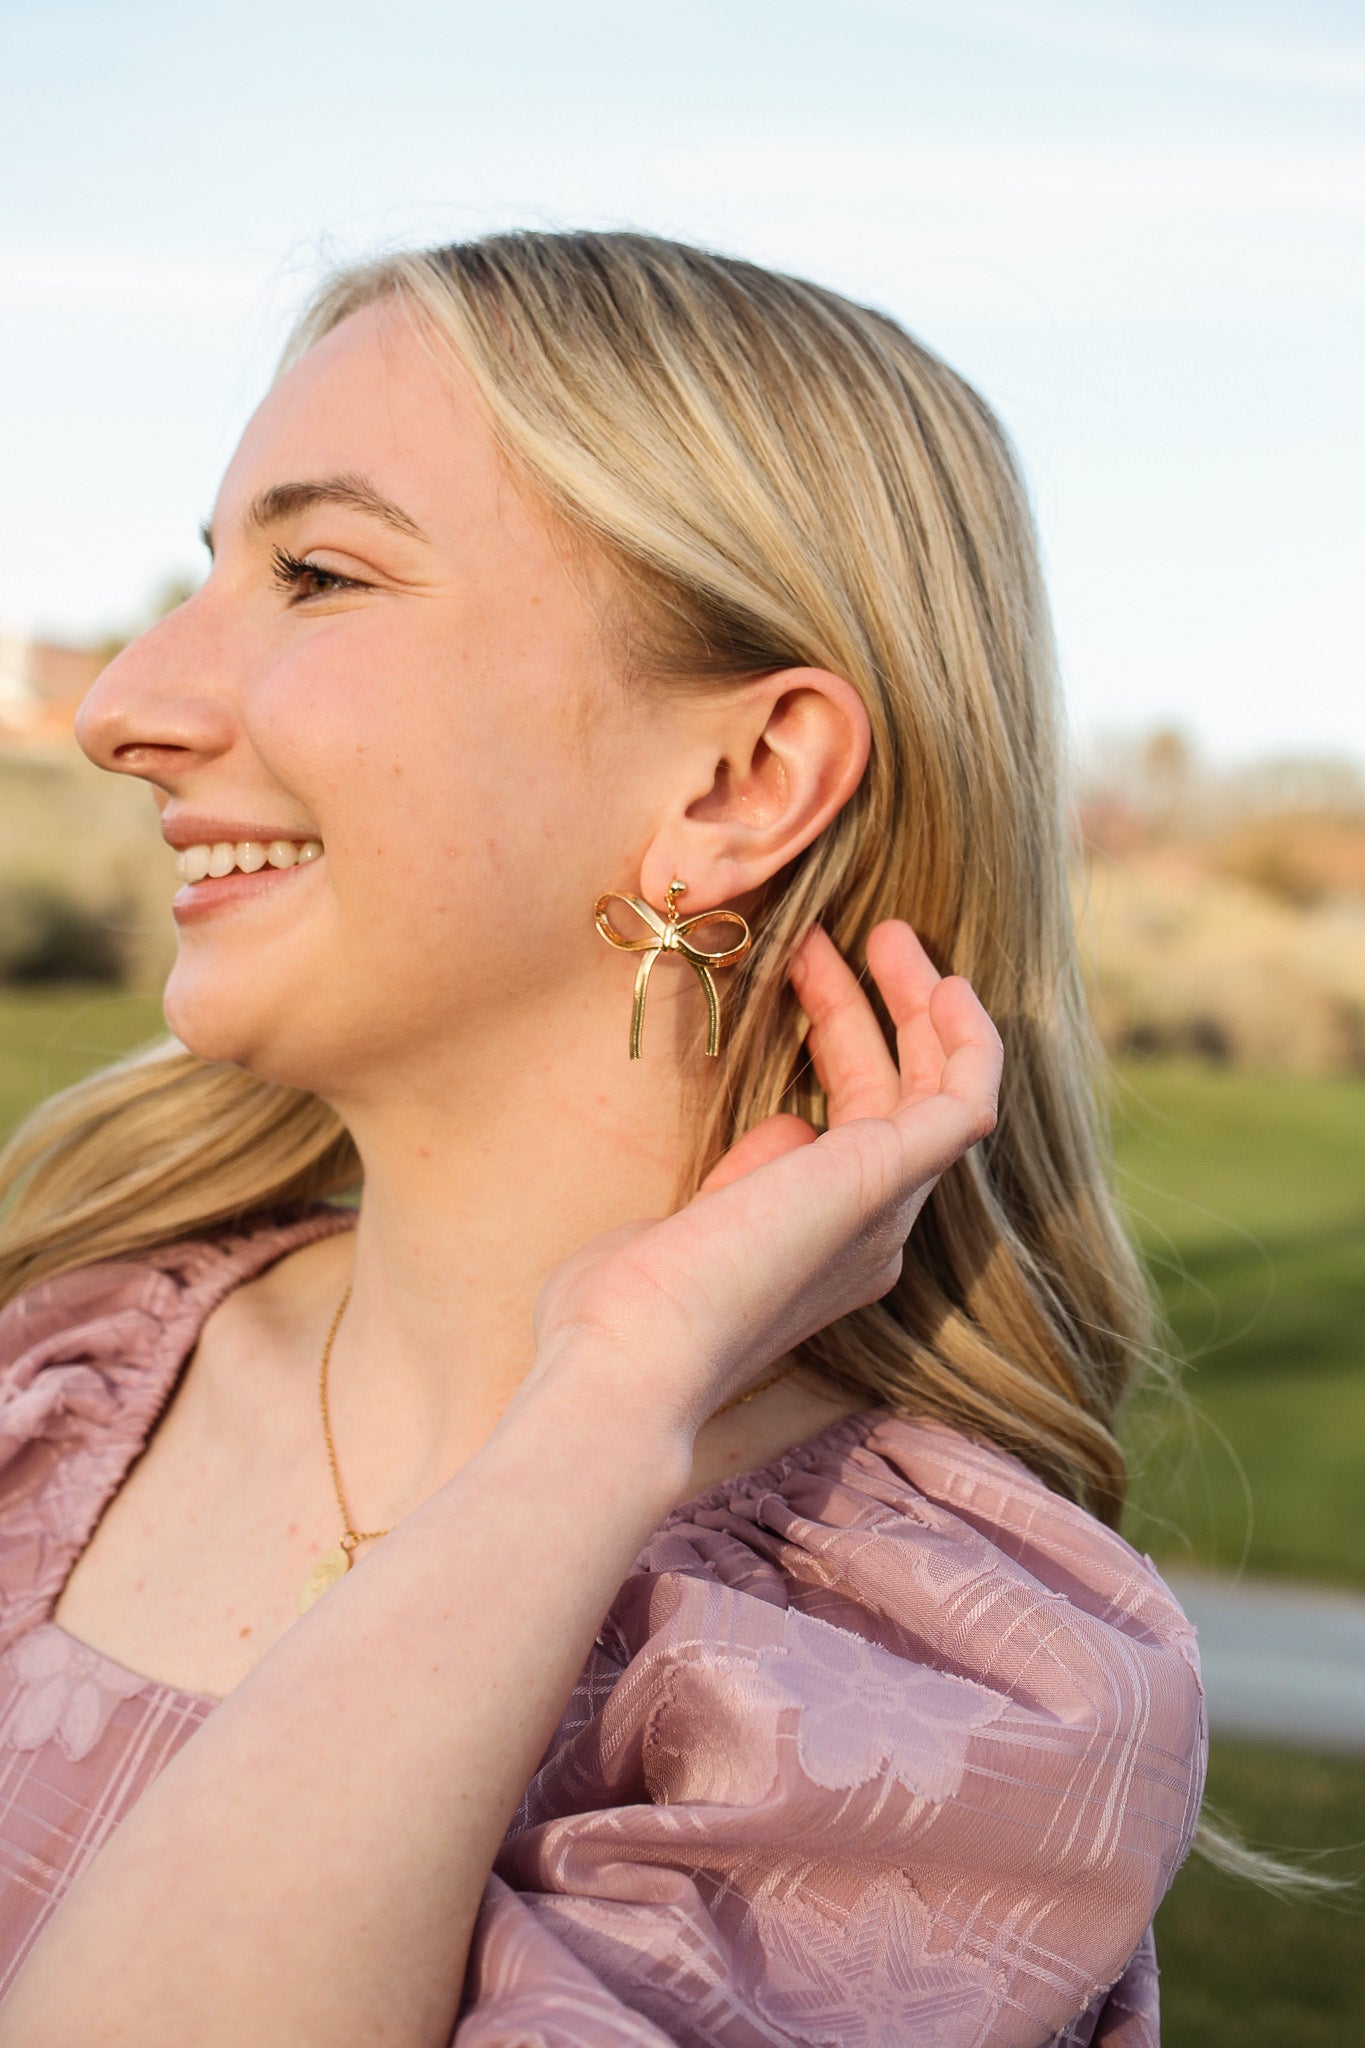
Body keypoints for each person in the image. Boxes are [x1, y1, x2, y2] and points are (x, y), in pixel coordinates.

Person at [0, 231, 1205, 2046]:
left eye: (316, 575)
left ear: (739, 784)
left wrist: (605, 1400)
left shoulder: (924, 1708)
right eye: (215, 570)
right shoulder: (54, 1376)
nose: (122, 711)